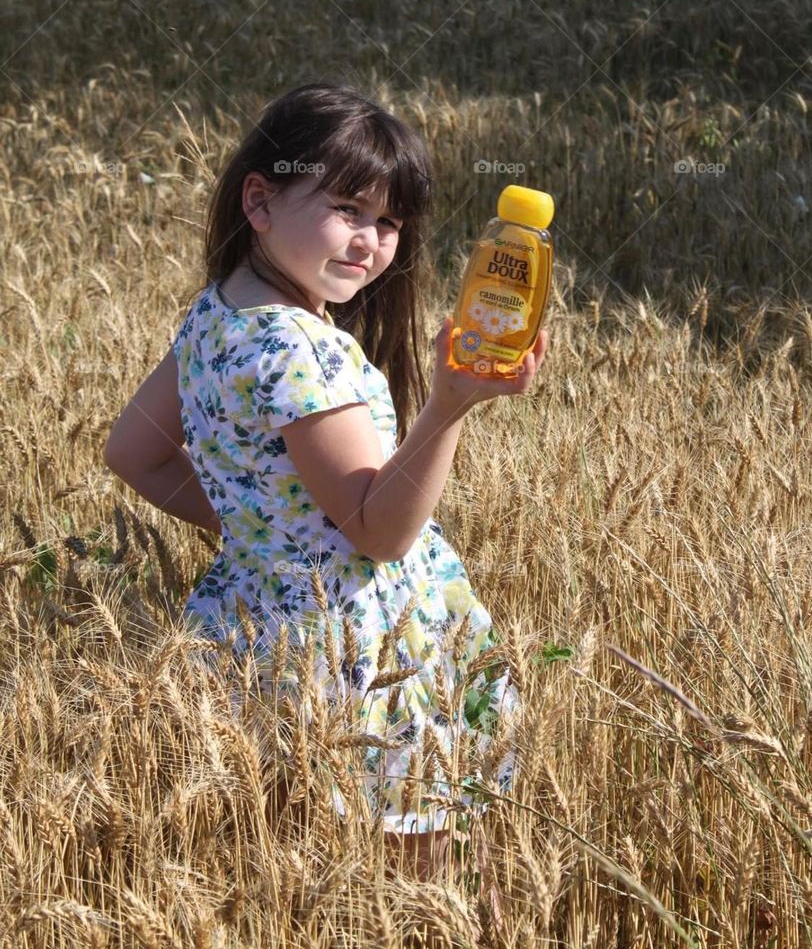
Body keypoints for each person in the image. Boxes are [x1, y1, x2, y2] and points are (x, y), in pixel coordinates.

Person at [104, 80, 549, 889]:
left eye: (388, 223)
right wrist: (448, 406)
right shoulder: (297, 349)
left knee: (287, 874)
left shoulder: (216, 316)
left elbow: (133, 454)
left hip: (253, 635)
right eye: (349, 209)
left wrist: (265, 530)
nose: (371, 242)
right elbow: (379, 532)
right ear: (261, 201)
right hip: (355, 646)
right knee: (418, 874)